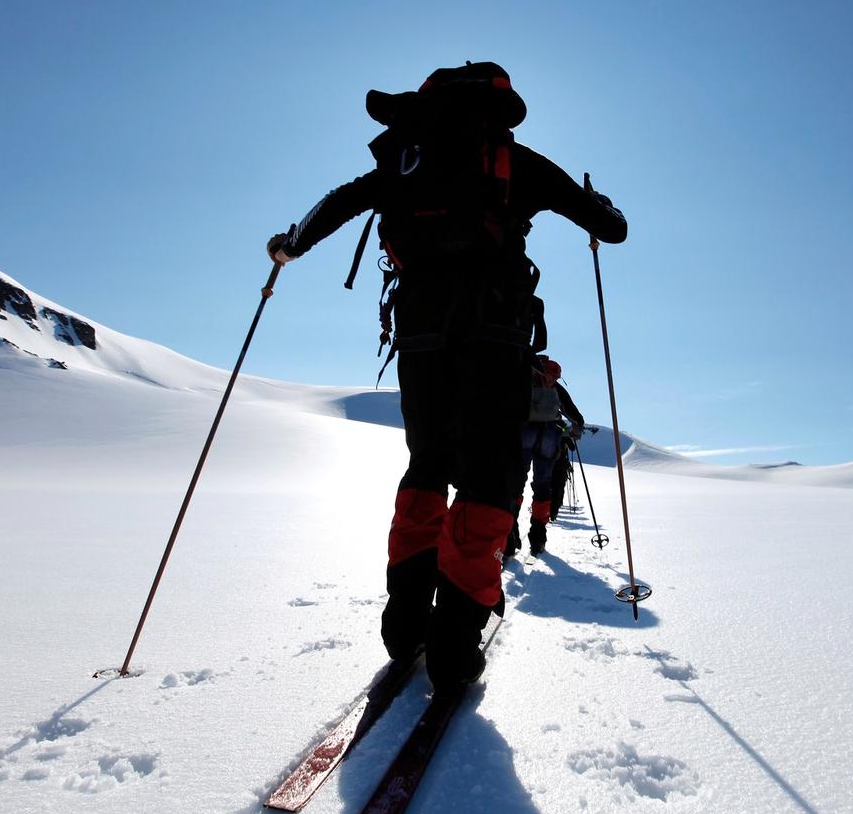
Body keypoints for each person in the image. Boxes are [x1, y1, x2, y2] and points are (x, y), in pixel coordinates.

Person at [265, 62, 626, 692]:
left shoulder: (404, 162)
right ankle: (456, 642)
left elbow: (336, 205)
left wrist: (288, 246)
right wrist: (600, 206)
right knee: (489, 476)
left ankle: (405, 624)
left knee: (426, 464)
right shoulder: (515, 162)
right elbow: (612, 230)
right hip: (496, 333)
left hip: (419, 332)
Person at [505, 355, 584, 560]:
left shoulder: (526, 382)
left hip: (524, 436)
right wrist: (574, 429)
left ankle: (509, 535)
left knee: (515, 485)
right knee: (542, 487)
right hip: (549, 438)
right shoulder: (556, 389)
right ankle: (538, 537)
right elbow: (576, 417)